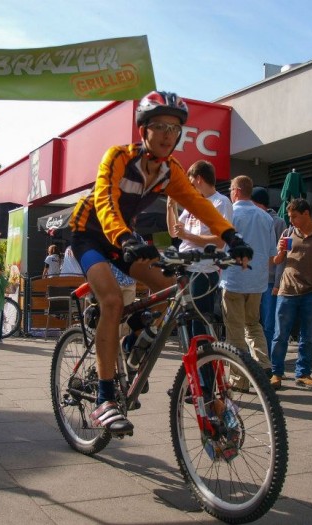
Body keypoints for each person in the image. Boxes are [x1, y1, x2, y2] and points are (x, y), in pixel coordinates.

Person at [68, 90, 252, 434]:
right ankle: (104, 399)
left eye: (175, 128)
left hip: (124, 237)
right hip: (89, 233)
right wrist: (125, 239)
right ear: (144, 130)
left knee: (172, 289)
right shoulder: (119, 157)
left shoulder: (171, 170)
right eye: (160, 126)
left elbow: (199, 204)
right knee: (111, 301)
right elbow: (105, 201)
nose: (168, 134)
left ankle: (135, 338)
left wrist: (232, 237)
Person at [270, 198, 312, 390]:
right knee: (280, 335)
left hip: (311, 293)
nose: (291, 221)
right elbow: (277, 261)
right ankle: (276, 373)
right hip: (287, 290)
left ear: (306, 214)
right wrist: (280, 251)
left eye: (294, 217)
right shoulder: (288, 233)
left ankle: (303, 374)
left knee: (307, 336)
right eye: (289, 217)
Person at [166, 159, 232, 338]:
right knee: (183, 319)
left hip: (203, 269)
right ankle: (191, 355)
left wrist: (187, 236)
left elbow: (220, 241)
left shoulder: (220, 202)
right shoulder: (194, 202)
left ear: (198, 179)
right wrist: (171, 207)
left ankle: (203, 356)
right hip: (185, 267)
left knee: (199, 321)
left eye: (190, 181)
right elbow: (173, 232)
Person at [219, 176, 275, 374]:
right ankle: (263, 365)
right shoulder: (266, 218)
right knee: (253, 325)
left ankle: (239, 379)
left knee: (235, 332)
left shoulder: (229, 214)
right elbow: (272, 254)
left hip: (233, 280)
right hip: (257, 283)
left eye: (230, 190)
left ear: (235, 191)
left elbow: (220, 247)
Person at [252, 187, 287, 356]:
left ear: (258, 203)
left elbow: (282, 255)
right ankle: (256, 356)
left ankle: (268, 359)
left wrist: (278, 283)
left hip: (270, 281)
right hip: (253, 279)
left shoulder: (278, 222)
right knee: (252, 321)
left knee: (268, 323)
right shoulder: (253, 219)